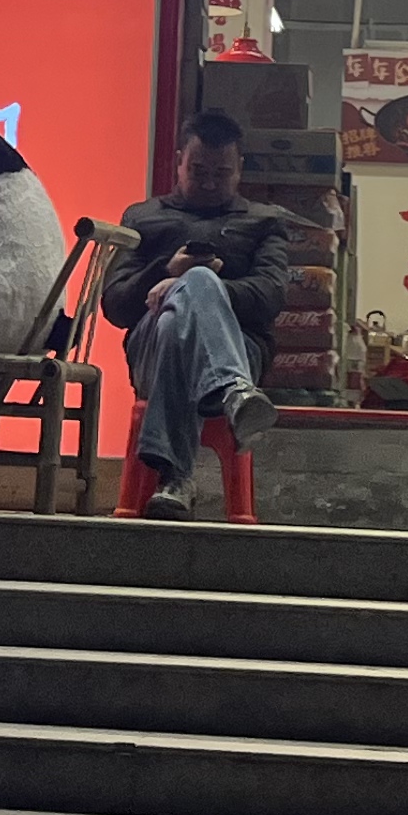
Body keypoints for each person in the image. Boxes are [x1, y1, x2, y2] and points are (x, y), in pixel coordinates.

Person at [104, 112, 300, 515]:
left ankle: (175, 479)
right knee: (183, 301)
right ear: (179, 161)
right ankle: (234, 392)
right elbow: (115, 304)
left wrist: (197, 287)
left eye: (221, 173)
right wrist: (165, 272)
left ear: (239, 168)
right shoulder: (142, 218)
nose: (209, 183)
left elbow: (270, 296)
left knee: (182, 310)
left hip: (241, 348)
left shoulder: (264, 221)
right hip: (151, 352)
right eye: (198, 171)